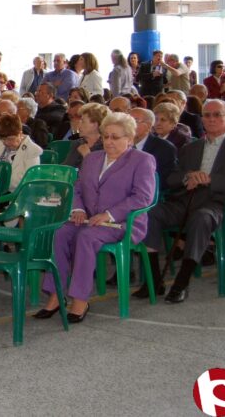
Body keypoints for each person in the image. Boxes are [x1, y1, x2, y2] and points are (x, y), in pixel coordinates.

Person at [36, 113, 156, 322]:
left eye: (115, 137)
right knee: (60, 232)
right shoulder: (92, 158)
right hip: (88, 218)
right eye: (106, 136)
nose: (109, 141)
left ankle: (80, 299)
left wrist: (109, 214)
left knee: (86, 237)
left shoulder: (142, 160)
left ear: (129, 139)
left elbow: (142, 197)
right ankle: (56, 294)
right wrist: (78, 210)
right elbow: (77, 189)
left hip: (121, 222)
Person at [139, 99, 225, 304]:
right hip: (186, 199)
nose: (211, 119)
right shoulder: (191, 147)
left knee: (201, 218)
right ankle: (154, 279)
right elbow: (172, 178)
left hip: (219, 203)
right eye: (207, 115)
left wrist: (211, 179)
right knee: (150, 214)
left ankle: (182, 281)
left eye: (217, 115)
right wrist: (188, 177)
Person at [0, 113, 42, 192]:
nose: (7, 142)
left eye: (11, 139)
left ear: (20, 134)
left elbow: (28, 181)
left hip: (16, 194)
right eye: (3, 139)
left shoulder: (33, 151)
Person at [130, 108, 177, 183]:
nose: (128, 126)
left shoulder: (165, 148)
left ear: (148, 126)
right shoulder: (119, 144)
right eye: (127, 122)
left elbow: (164, 181)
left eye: (135, 121)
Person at [62, 103, 109, 169]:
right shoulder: (77, 143)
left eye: (83, 121)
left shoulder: (106, 147)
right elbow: (65, 169)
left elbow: (101, 174)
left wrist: (87, 157)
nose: (79, 124)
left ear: (95, 125)